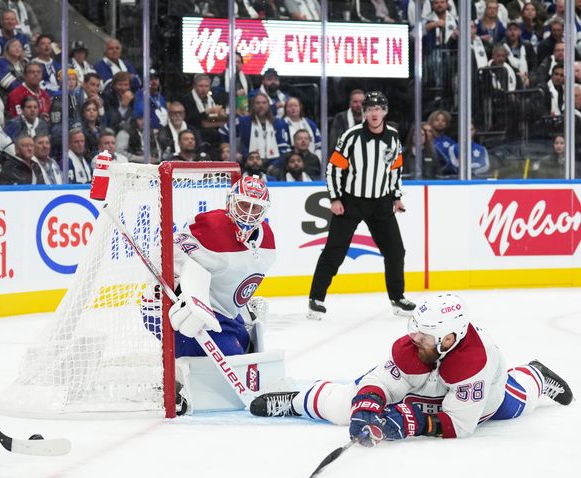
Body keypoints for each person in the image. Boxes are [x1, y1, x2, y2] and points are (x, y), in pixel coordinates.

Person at [249, 293, 573, 446]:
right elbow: (380, 380)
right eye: (415, 329)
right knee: (346, 403)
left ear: (449, 338)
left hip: (479, 399)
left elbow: (459, 424)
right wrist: (366, 404)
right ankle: (293, 401)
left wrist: (412, 421)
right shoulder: (416, 347)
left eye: (424, 335)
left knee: (513, 404)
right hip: (425, 384)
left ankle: (536, 375)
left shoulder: (475, 363)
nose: (414, 337)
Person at [308, 91, 414, 319]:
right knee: (334, 251)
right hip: (351, 202)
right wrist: (335, 198)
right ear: (364, 112)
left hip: (381, 203)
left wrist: (396, 196)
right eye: (370, 109)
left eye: (378, 109)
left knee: (396, 251)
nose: (374, 113)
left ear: (384, 112)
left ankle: (397, 298)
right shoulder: (351, 136)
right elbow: (333, 168)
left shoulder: (393, 137)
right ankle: (315, 299)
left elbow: (395, 168)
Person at [165, 175, 276, 360]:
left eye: (255, 207)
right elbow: (165, 254)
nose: (248, 214)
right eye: (243, 204)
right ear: (231, 201)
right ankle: (179, 381)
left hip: (226, 315)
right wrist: (179, 300)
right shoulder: (210, 226)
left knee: (247, 347)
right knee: (235, 361)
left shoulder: (267, 239)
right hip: (191, 316)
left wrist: (244, 308)